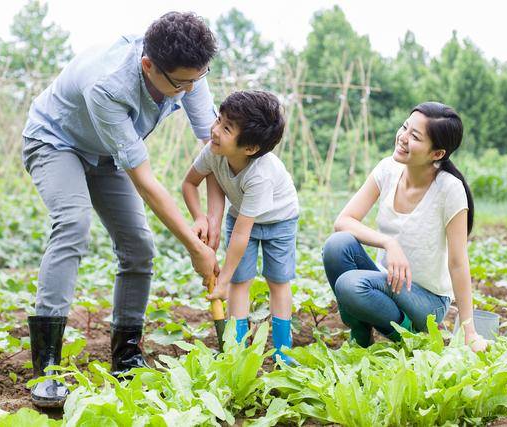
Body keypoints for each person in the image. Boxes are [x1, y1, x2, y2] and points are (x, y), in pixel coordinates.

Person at [21, 12, 225, 408]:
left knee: (139, 247)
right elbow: (145, 181)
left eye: (195, 80)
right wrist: (193, 247)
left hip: (105, 153)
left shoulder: (189, 74)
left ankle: (127, 357)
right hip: (55, 140)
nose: (188, 92)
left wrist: (209, 218)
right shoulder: (109, 84)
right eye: (180, 83)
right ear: (149, 65)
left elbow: (212, 145)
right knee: (73, 224)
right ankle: (47, 370)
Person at [322, 102, 488, 352]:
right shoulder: (387, 169)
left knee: (350, 285)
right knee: (337, 245)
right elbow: (343, 221)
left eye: (415, 136)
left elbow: (458, 262)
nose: (403, 138)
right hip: (387, 279)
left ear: (437, 153)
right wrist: (389, 242)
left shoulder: (449, 189)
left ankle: (408, 336)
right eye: (405, 127)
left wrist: (470, 330)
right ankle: (361, 338)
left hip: (426, 300)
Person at [182, 91, 299, 364]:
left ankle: (284, 352)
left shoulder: (261, 175)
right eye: (218, 120)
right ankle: (237, 350)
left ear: (250, 148)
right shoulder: (214, 152)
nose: (214, 130)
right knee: (240, 281)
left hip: (279, 220)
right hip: (241, 216)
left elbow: (242, 234)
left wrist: (220, 281)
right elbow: (189, 184)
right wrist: (200, 217)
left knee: (278, 281)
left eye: (226, 128)